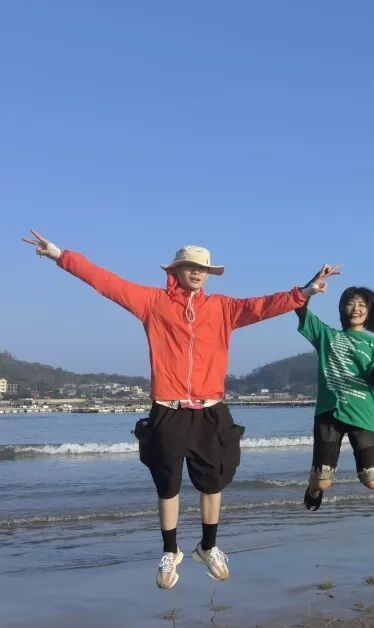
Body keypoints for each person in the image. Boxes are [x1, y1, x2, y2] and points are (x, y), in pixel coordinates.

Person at [22, 230, 333, 588]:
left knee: (213, 482)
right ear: (176, 270)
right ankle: (170, 552)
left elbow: (263, 306)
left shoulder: (224, 308)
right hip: (167, 409)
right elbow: (106, 283)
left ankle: (208, 547)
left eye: (203, 268)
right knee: (167, 485)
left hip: (210, 410)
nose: (197, 272)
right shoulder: (152, 302)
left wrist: (306, 291)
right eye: (190, 267)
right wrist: (60, 255)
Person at [296, 285, 374, 512]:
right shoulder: (327, 335)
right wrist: (310, 288)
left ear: (369, 312)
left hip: (363, 415)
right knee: (322, 482)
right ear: (342, 308)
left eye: (362, 305)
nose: (356, 309)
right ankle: (313, 490)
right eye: (351, 303)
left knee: (371, 478)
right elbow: (299, 308)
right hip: (328, 414)